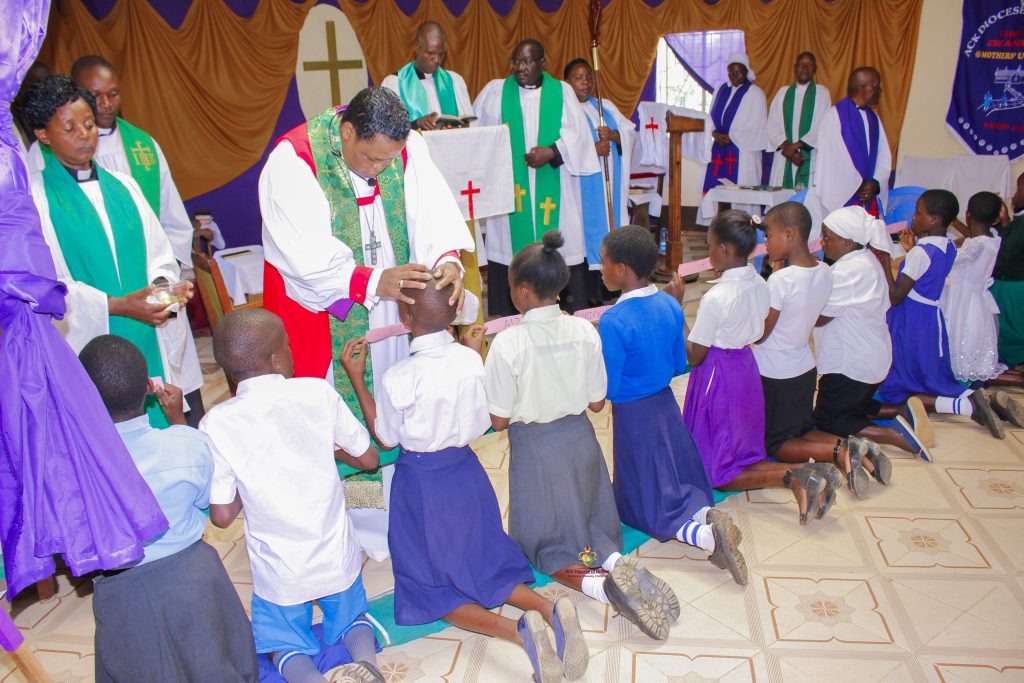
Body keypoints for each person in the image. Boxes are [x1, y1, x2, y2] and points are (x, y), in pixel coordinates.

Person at [259, 86, 475, 559]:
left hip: (394, 310)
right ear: (347, 131)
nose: (381, 170)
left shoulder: (406, 147)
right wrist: (374, 280)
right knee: (348, 420)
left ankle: (399, 510)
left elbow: (432, 212)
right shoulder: (295, 162)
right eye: (373, 159)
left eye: (389, 161)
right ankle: (362, 523)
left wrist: (446, 261)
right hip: (331, 311)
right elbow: (303, 258)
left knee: (393, 410)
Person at [339, 280, 588, 683]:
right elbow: (485, 415)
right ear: (454, 314)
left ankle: (518, 632)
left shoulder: (398, 376)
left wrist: (356, 376)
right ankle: (549, 609)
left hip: (422, 485)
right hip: (468, 474)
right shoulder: (471, 361)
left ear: (404, 317)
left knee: (430, 590)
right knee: (487, 563)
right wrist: (471, 349)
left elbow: (385, 438)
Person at [483, 231, 680, 642]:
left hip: (538, 451)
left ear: (522, 291)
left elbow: (498, 421)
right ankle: (615, 561)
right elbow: (596, 403)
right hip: (582, 441)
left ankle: (603, 589)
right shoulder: (585, 330)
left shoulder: (507, 343)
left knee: (548, 547)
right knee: (591, 529)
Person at [200, 309, 384, 683]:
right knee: (352, 619)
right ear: (275, 359)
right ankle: (368, 666)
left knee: (282, 642)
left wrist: (248, 478)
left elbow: (221, 515)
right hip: (335, 555)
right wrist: (331, 450)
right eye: (287, 344)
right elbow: (369, 459)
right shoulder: (316, 391)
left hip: (279, 571)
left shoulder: (216, 422)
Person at [24, 74, 204, 429]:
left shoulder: (125, 185)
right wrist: (118, 306)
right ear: (43, 135)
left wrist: (165, 292)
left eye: (89, 124)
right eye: (69, 128)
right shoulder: (36, 199)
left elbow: (159, 256)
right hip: (89, 341)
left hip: (147, 334)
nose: (84, 135)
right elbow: (47, 283)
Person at [79, 335, 258, 683]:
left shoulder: (72, 467)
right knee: (217, 660)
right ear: (150, 388)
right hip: (194, 577)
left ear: (82, 397)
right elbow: (203, 500)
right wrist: (178, 420)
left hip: (121, 591)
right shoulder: (186, 443)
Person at [598, 226, 746, 586]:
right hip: (666, 407)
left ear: (621, 269)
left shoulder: (614, 321)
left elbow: (610, 387)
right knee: (673, 476)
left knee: (646, 504)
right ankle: (707, 514)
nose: (600, 270)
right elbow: (681, 362)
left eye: (604, 263)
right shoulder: (669, 304)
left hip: (634, 416)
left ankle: (707, 537)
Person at [681, 211, 841, 525]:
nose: (709, 253)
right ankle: (809, 472)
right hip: (745, 367)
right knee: (741, 447)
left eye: (710, 246)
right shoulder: (760, 282)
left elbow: (696, 355)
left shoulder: (717, 297)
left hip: (718, 373)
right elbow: (757, 333)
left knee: (717, 471)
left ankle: (795, 475)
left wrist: (677, 313)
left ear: (724, 249)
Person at [754, 202, 889, 497]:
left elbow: (761, 335)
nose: (766, 243)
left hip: (777, 372)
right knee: (801, 429)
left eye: (769, 236)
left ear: (789, 234)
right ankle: (853, 446)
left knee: (776, 443)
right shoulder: (826, 270)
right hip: (804, 367)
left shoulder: (780, 280)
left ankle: (840, 453)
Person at [27, 56, 194, 266]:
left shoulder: (143, 145)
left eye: (113, 94)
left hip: (147, 267)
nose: (106, 104)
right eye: (95, 95)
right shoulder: (43, 152)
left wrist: (166, 272)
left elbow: (172, 218)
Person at [474, 40, 600, 315]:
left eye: (527, 61)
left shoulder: (562, 92)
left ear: (543, 63)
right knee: (508, 246)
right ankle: (510, 318)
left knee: (562, 242)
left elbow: (579, 136)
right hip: (511, 192)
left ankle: (564, 313)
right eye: (516, 62)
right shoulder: (496, 92)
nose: (520, 67)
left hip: (555, 186)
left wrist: (552, 151)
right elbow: (480, 137)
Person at [877, 190, 1004, 440]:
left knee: (901, 378)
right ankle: (969, 399)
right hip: (930, 317)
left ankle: (965, 405)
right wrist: (913, 248)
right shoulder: (947, 246)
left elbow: (896, 295)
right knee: (924, 372)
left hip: (910, 319)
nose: (913, 217)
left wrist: (884, 262)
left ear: (934, 219)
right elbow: (928, 272)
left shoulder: (920, 252)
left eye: (918, 213)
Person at [812, 206, 934, 462]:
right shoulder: (866, 259)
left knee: (829, 420)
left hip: (851, 362)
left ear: (847, 241)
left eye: (827, 237)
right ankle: (902, 410)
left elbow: (820, 316)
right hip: (871, 356)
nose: (822, 242)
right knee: (856, 404)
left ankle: (894, 436)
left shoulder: (848, 272)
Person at [563, 57, 636, 305]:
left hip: (608, 190)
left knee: (608, 234)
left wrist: (614, 134)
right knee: (583, 240)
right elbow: (563, 148)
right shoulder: (564, 111)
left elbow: (630, 132)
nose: (585, 82)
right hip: (580, 190)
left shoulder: (605, 107)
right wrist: (593, 149)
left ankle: (608, 290)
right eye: (578, 78)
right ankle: (586, 296)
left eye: (588, 77)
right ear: (567, 82)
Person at [697, 52, 767, 225]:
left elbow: (757, 126)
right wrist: (714, 133)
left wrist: (731, 136)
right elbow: (710, 117)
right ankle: (717, 228)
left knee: (741, 197)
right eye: (731, 72)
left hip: (743, 154)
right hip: (720, 150)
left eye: (738, 71)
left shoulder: (755, 94)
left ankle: (744, 229)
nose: (734, 75)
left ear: (746, 71)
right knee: (717, 191)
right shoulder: (721, 90)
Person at [812, 67, 891, 217]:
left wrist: (875, 183)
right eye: (875, 87)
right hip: (845, 196)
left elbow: (883, 156)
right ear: (862, 88)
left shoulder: (873, 118)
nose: (880, 91)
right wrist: (859, 185)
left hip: (868, 196)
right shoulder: (835, 116)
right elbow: (832, 158)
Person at [381, 21, 474, 130]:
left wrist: (459, 128)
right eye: (431, 53)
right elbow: (386, 130)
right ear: (417, 46)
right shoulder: (395, 83)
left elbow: (469, 126)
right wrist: (416, 124)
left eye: (441, 54)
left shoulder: (454, 81)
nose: (436, 60)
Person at [766, 52, 832, 190]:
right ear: (795, 68)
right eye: (801, 64)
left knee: (807, 200)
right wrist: (788, 149)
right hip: (784, 158)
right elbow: (772, 125)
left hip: (809, 158)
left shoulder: (822, 94)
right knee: (781, 200)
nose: (805, 68)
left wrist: (794, 147)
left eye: (809, 65)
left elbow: (822, 126)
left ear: (815, 69)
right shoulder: (783, 93)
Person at [992, 172, 1024, 368]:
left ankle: (1015, 366)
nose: (1015, 194)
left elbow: (1003, 254)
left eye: (1019, 189)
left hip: (1013, 286)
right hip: (1010, 284)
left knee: (1012, 331)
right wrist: (1004, 223)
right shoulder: (1019, 221)